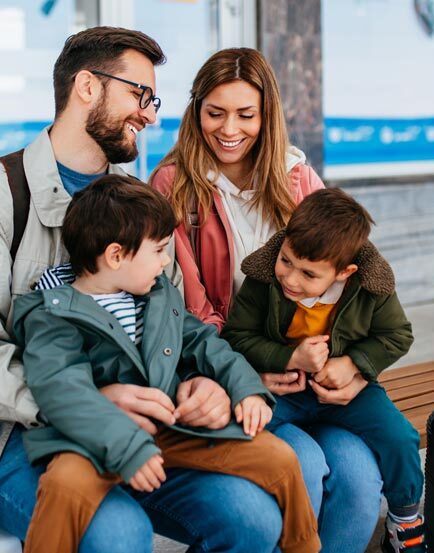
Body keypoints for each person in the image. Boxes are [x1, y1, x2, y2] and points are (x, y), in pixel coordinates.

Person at [0, 28, 290, 552]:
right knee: (119, 533)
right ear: (88, 87)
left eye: (153, 99)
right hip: (13, 434)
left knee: (252, 517)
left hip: (141, 425)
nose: (152, 114)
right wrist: (86, 403)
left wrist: (200, 381)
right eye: (140, 95)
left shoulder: (135, 205)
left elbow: (172, 321)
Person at [149, 47, 385, 550]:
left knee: (360, 480)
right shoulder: (174, 186)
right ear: (195, 112)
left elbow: (358, 285)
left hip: (309, 379)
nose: (228, 128)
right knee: (304, 465)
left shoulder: (298, 178)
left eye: (245, 114)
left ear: (267, 114)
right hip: (230, 373)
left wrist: (356, 365)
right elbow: (189, 310)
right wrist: (248, 371)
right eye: (214, 113)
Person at [13, 175, 319, 553]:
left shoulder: (157, 296)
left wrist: (246, 389)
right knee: (63, 487)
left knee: (280, 457)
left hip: (172, 428)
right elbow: (61, 388)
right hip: (94, 441)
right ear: (115, 256)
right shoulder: (53, 313)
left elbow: (205, 344)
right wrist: (126, 446)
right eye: (158, 250)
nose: (166, 260)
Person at [222, 188, 424, 553]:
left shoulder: (370, 287)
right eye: (286, 261)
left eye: (308, 274)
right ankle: (239, 522)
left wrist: (354, 365)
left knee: (400, 437)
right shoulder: (264, 278)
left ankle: (405, 518)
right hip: (285, 390)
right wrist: (289, 358)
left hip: (346, 393)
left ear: (344, 272)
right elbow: (237, 336)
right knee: (237, 423)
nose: (291, 279)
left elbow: (397, 335)